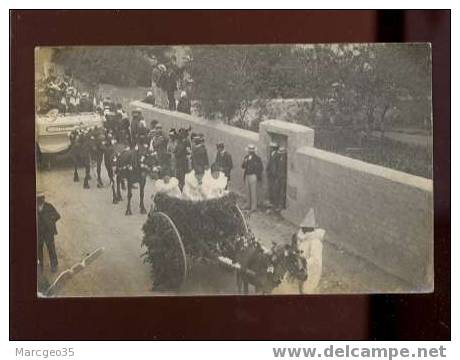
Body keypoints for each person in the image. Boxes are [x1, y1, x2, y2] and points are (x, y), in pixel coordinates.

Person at [293, 209, 325, 293]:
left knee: (307, 289)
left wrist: (305, 261)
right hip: (301, 268)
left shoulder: (315, 242)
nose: (302, 229)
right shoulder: (302, 238)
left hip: (311, 270)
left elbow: (316, 260)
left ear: (310, 228)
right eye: (303, 227)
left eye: (305, 228)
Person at [37, 190, 61, 273]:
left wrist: (50, 220)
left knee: (51, 249)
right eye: (38, 199)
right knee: (39, 250)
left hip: (48, 232)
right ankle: (40, 267)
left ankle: (54, 265)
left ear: (44, 198)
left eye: (41, 198)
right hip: (39, 233)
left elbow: (58, 216)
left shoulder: (49, 206)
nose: (40, 200)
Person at [241, 144, 263, 212]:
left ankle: (253, 207)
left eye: (251, 150)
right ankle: (248, 205)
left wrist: (256, 174)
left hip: (253, 175)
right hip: (247, 175)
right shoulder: (246, 157)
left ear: (254, 151)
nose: (250, 151)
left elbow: (261, 168)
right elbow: (243, 166)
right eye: (249, 150)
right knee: (247, 191)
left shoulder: (257, 158)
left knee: (253, 191)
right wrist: (244, 162)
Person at [266, 142, 280, 208]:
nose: (270, 148)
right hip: (271, 175)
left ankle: (275, 204)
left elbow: (276, 166)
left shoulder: (277, 155)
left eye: (271, 147)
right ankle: (271, 202)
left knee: (275, 189)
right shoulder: (272, 154)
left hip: (274, 176)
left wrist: (275, 174)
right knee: (270, 188)